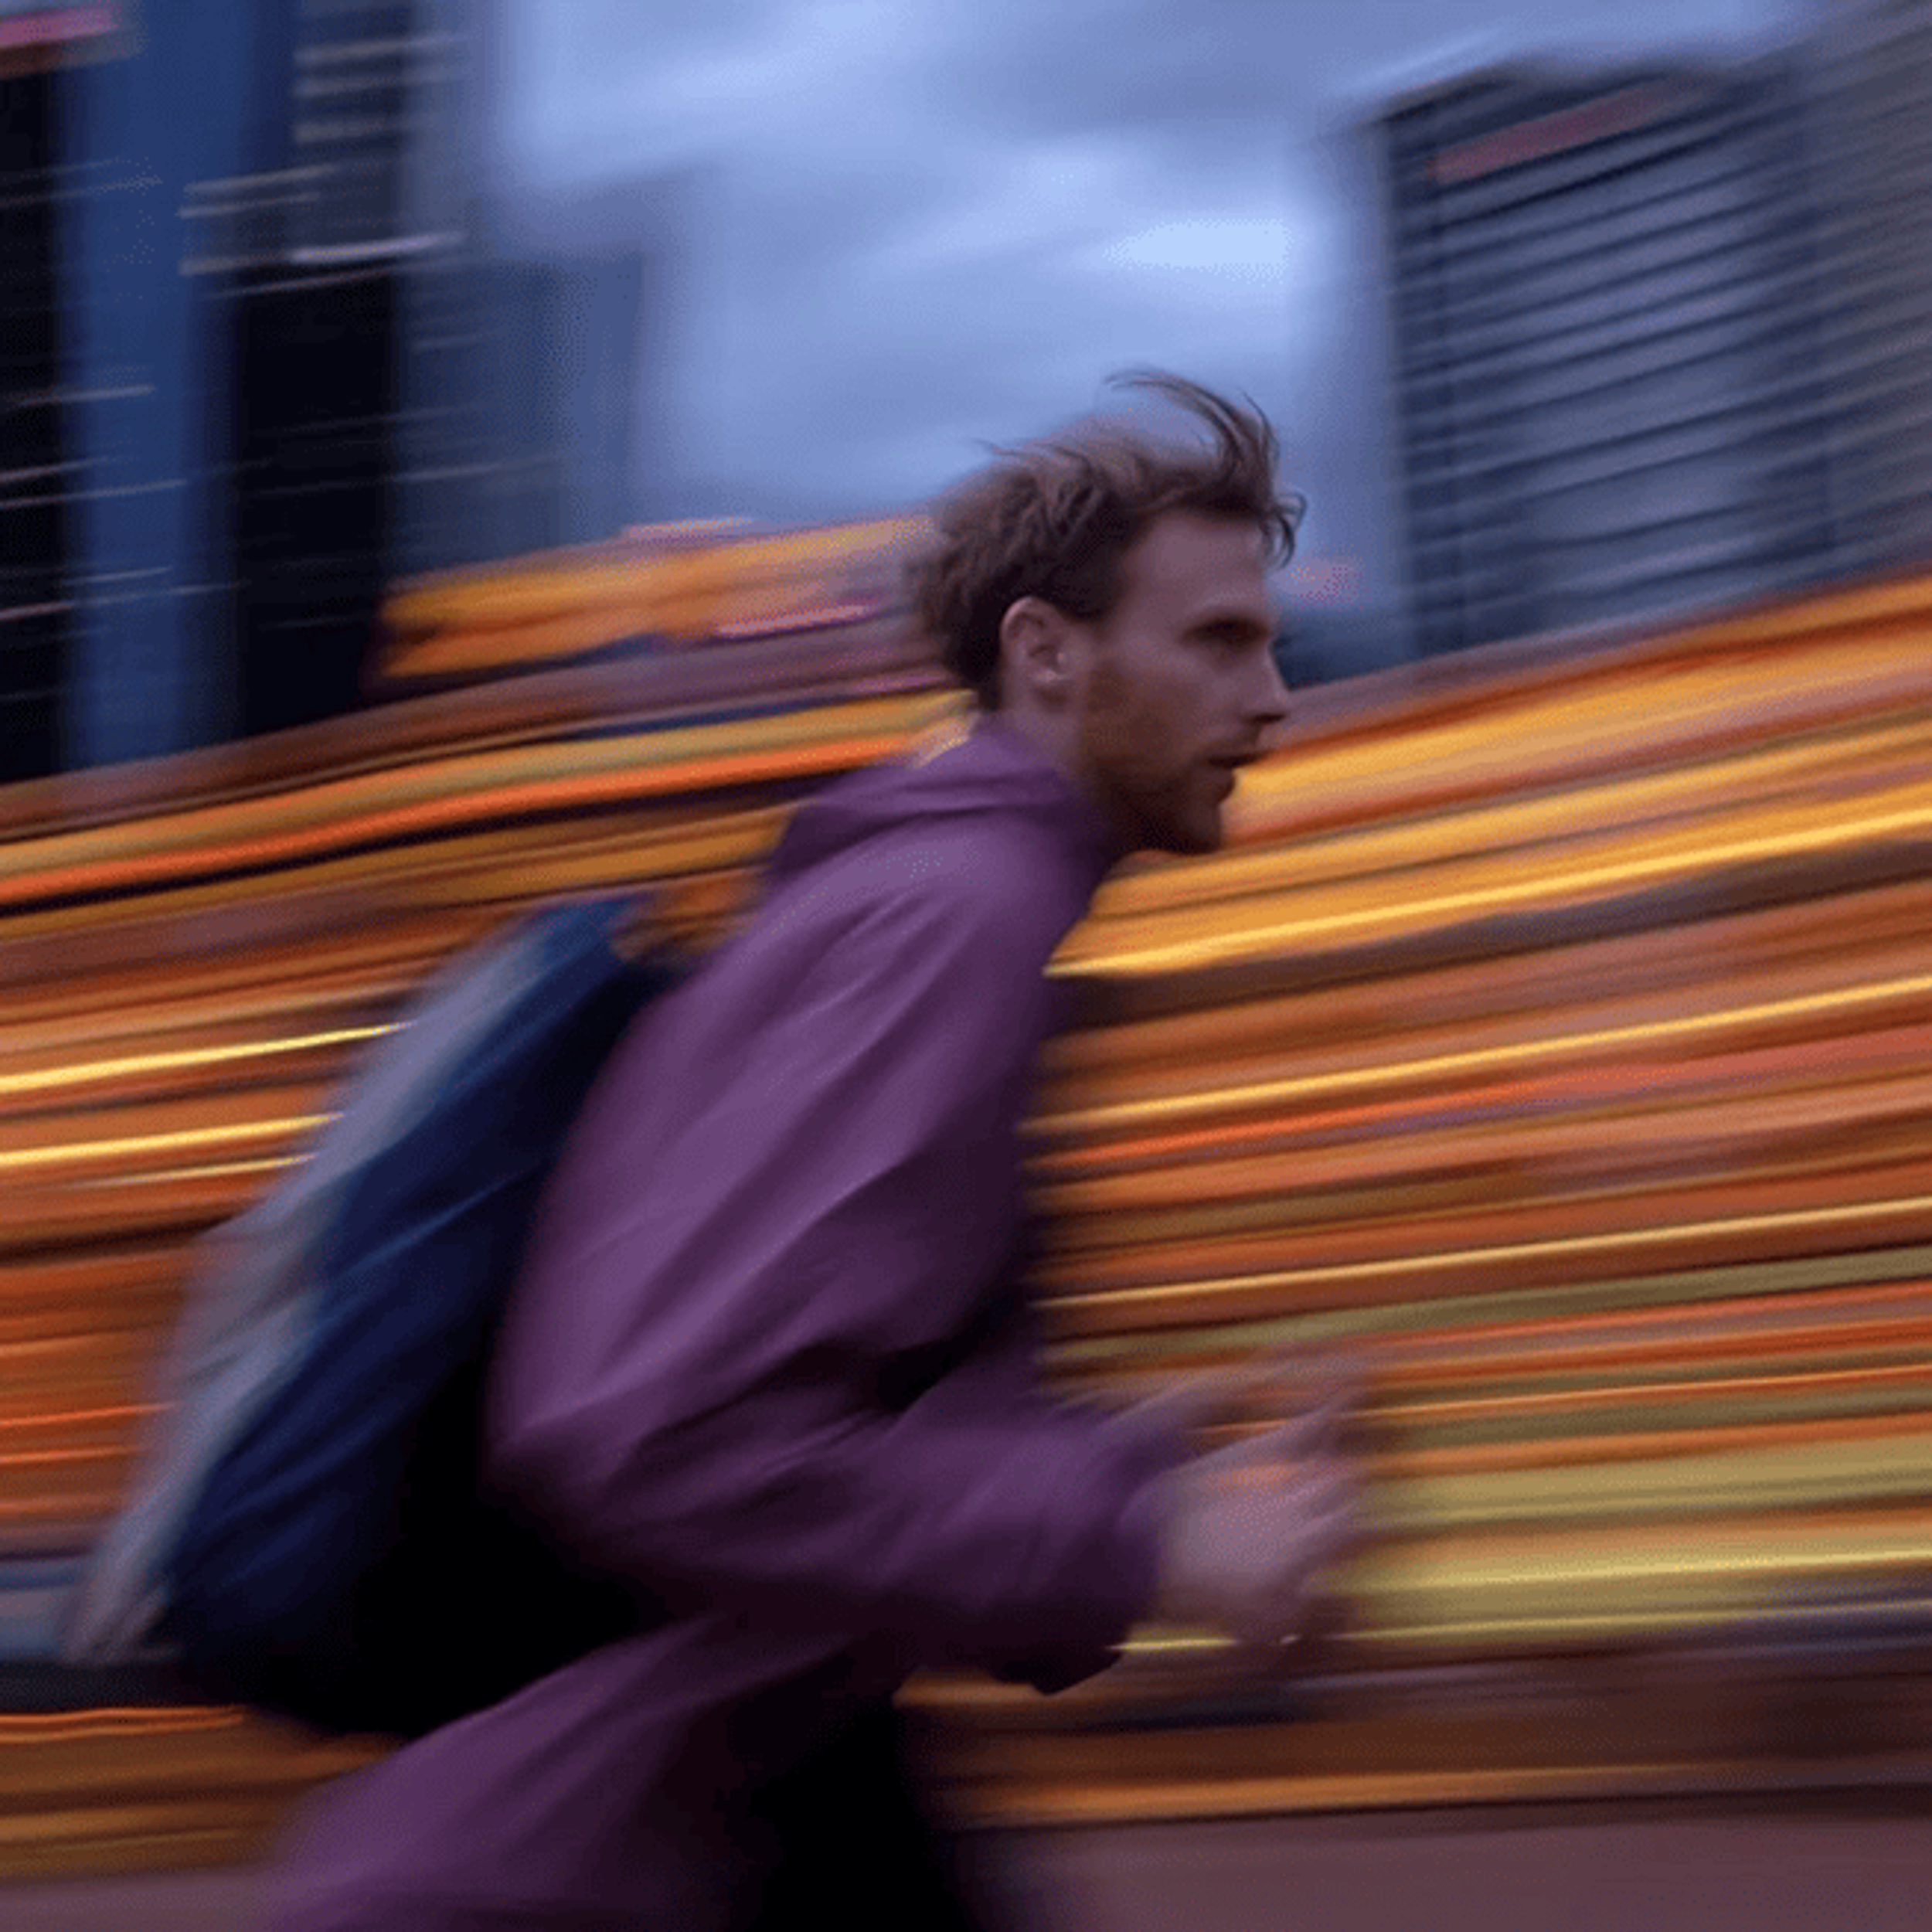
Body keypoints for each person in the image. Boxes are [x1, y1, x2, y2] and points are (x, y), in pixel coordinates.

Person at [264, 372, 1361, 1931]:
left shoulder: (933, 903)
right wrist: (1148, 1535)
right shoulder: (945, 918)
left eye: (1266, 644)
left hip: (712, 1815)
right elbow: (651, 1432)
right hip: (581, 1864)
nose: (1269, 701)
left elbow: (816, 1397)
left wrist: (1123, 1457)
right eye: (1216, 641)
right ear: (1043, 651)